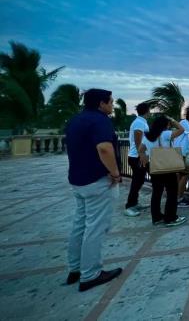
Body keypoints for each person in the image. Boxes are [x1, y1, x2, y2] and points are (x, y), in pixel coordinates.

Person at [65, 88, 123, 292]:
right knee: (96, 227)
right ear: (101, 103)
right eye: (110, 102)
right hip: (97, 182)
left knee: (80, 224)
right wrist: (115, 173)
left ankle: (75, 268)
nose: (112, 105)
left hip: (78, 181)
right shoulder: (100, 121)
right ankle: (90, 274)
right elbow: (104, 148)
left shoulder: (75, 120)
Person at [138, 115, 187, 227]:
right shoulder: (165, 134)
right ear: (165, 125)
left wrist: (144, 159)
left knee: (156, 193)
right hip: (167, 168)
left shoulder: (148, 136)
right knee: (172, 192)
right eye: (168, 124)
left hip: (154, 167)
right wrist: (173, 120)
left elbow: (141, 150)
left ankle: (156, 218)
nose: (169, 126)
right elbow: (182, 130)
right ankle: (170, 218)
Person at [124, 102, 150, 217]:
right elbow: (138, 138)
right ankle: (129, 206)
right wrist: (142, 154)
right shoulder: (139, 122)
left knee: (139, 180)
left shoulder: (141, 121)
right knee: (136, 181)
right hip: (137, 157)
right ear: (147, 111)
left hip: (137, 156)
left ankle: (134, 203)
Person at [173, 109, 189, 208]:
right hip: (181, 153)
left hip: (183, 153)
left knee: (181, 176)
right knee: (185, 175)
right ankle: (179, 198)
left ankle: (177, 197)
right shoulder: (184, 122)